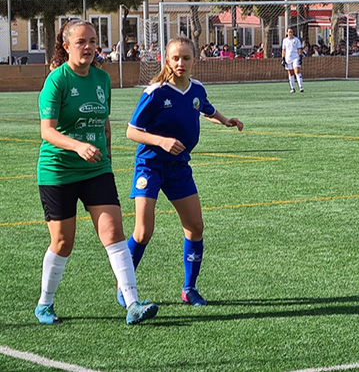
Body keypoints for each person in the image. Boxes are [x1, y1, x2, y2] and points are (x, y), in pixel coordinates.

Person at [35, 19, 158, 325]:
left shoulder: (102, 80)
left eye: (93, 41)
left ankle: (132, 303)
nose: (89, 47)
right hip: (59, 171)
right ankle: (45, 304)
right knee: (63, 242)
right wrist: (77, 146)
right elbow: (47, 132)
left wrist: (108, 158)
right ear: (66, 47)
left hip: (97, 169)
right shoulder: (57, 81)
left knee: (114, 232)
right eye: (81, 42)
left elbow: (104, 123)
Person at [119, 36, 243, 308]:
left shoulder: (196, 89)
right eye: (175, 58)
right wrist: (161, 141)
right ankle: (125, 285)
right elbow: (131, 131)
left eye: (186, 58)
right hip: (150, 166)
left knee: (195, 227)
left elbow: (204, 109)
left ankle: (189, 288)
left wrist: (225, 120)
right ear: (167, 60)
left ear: (194, 60)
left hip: (179, 169)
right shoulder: (155, 92)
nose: (180, 63)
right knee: (143, 232)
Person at [281, 27, 304, 93]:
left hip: (295, 57)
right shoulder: (285, 40)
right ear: (287, 33)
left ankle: (301, 87)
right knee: (290, 73)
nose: (290, 33)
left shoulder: (296, 40)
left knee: (297, 71)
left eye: (291, 32)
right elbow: (283, 50)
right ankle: (292, 88)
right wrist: (283, 58)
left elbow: (299, 49)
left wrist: (300, 57)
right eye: (289, 32)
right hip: (288, 58)